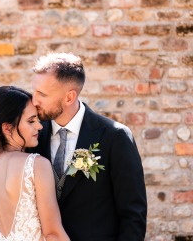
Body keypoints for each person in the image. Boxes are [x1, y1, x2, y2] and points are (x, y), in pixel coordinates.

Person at [28, 52, 147, 241]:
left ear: (69, 97)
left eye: (42, 94)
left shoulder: (114, 137)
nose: (34, 101)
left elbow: (133, 214)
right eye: (34, 91)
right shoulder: (32, 138)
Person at [0, 86, 70, 241]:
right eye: (31, 121)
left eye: (38, 119)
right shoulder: (36, 165)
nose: (40, 126)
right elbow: (53, 233)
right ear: (8, 128)